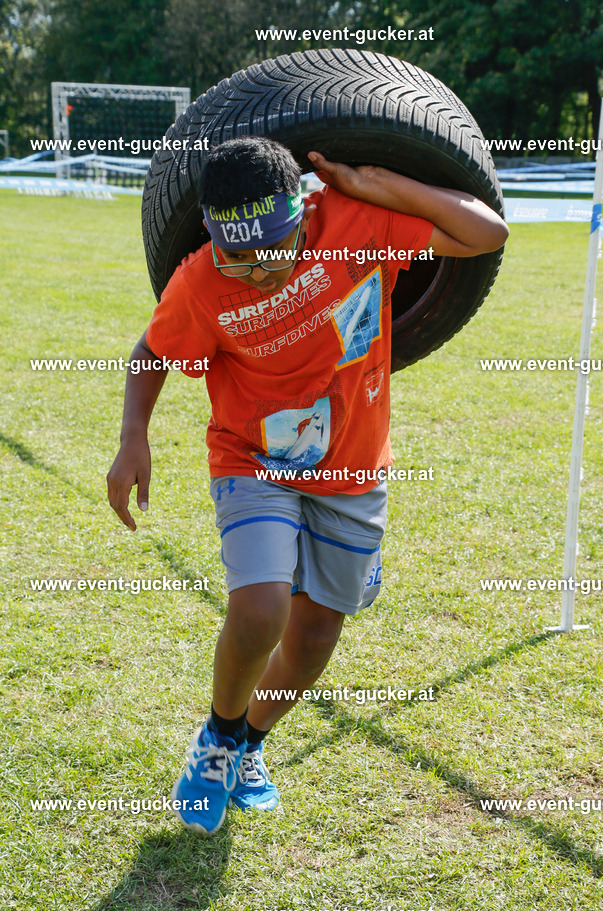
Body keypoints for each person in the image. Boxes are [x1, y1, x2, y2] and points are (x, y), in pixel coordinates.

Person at [107, 137, 508, 835]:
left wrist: (375, 180)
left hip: (352, 464)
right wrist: (132, 436)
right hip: (251, 458)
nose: (260, 272)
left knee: (318, 629)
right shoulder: (203, 281)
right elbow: (153, 350)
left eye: (276, 249)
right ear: (210, 235)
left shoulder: (356, 223)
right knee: (262, 609)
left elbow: (485, 233)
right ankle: (217, 739)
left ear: (303, 214)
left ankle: (250, 745)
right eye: (239, 256)